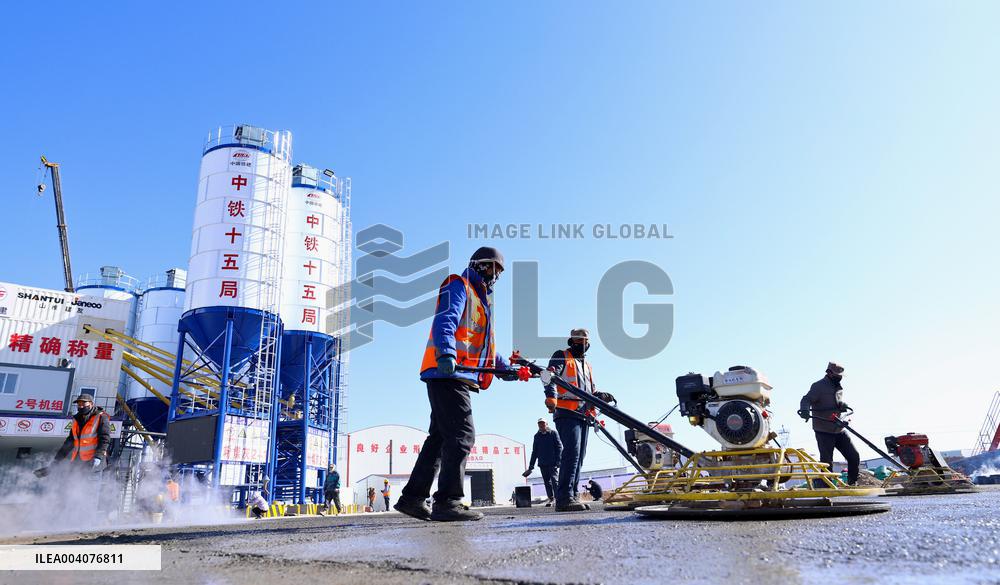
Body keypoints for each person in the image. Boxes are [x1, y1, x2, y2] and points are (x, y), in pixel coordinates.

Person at [395, 247, 522, 522]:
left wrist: (505, 368)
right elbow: (445, 321)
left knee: (440, 438)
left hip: (458, 374)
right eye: (491, 268)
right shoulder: (459, 285)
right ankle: (447, 501)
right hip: (447, 372)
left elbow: (484, 346)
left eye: (498, 271)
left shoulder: (482, 302)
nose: (494, 275)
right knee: (463, 435)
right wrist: (446, 354)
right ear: (477, 265)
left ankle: (413, 498)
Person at [543, 329, 616, 512]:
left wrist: (601, 395)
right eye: (578, 341)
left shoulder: (587, 365)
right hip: (566, 412)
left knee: (579, 457)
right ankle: (564, 498)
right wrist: (551, 396)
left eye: (584, 341)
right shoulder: (561, 356)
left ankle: (572, 495)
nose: (582, 344)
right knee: (572, 453)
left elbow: (589, 391)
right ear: (571, 342)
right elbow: (548, 376)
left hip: (584, 414)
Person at [798, 362, 860, 485]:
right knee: (827, 462)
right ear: (829, 372)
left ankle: (852, 483)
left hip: (838, 428)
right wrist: (804, 409)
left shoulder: (837, 386)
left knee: (854, 456)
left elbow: (834, 402)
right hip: (823, 430)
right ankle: (826, 485)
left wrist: (841, 405)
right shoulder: (818, 386)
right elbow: (806, 399)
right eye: (838, 375)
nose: (840, 377)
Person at [34, 394, 112, 477]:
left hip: (94, 460)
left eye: (84, 403)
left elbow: (105, 439)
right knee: (70, 482)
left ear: (91, 404)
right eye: (79, 404)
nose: (81, 406)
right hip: (78, 460)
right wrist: (56, 461)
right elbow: (69, 442)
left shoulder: (101, 417)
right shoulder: (77, 419)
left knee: (87, 485)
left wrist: (98, 456)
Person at [523, 418, 562, 506]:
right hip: (542, 463)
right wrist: (531, 466)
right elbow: (535, 451)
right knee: (547, 482)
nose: (541, 425)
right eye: (539, 424)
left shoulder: (553, 433)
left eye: (543, 423)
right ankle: (551, 499)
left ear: (547, 424)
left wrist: (559, 460)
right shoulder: (537, 436)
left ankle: (558, 498)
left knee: (555, 480)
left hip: (553, 462)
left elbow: (559, 447)